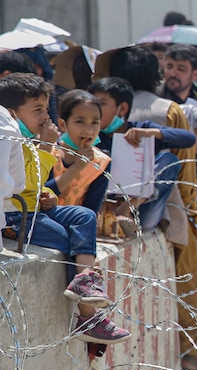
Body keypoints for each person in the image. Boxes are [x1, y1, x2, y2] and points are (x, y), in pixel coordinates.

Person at [105, 45, 197, 370]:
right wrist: (193, 209)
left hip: (115, 207)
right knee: (189, 283)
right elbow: (183, 170)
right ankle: (191, 353)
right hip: (167, 210)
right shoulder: (168, 109)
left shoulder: (105, 105)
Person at [0, 73, 130, 344]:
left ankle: (84, 281)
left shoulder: (29, 141)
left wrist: (47, 194)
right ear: (13, 113)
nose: (44, 117)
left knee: (84, 216)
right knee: (63, 238)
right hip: (16, 215)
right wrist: (47, 148)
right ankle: (88, 316)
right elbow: (22, 183)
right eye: (37, 110)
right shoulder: (12, 140)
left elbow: (36, 186)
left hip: (35, 207)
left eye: (46, 109)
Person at [87, 76, 197, 229]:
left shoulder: (141, 129)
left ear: (122, 109)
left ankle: (129, 205)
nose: (95, 111)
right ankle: (117, 211)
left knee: (168, 160)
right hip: (103, 210)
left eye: (101, 104)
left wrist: (152, 133)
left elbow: (189, 139)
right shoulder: (93, 136)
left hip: (142, 213)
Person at [50, 90, 112, 215]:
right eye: (80, 122)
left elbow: (91, 210)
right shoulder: (47, 152)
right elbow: (42, 195)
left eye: (95, 122)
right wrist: (77, 168)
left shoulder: (101, 163)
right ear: (62, 124)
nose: (89, 130)